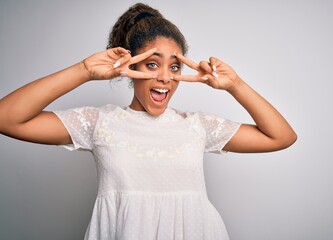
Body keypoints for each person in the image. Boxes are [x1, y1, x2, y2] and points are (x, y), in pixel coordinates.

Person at [0, 3, 297, 240]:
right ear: (129, 67)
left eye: (175, 66)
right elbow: (7, 118)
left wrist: (235, 85)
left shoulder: (195, 126)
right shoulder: (100, 122)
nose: (165, 77)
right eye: (152, 64)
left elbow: (281, 137)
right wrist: (84, 70)